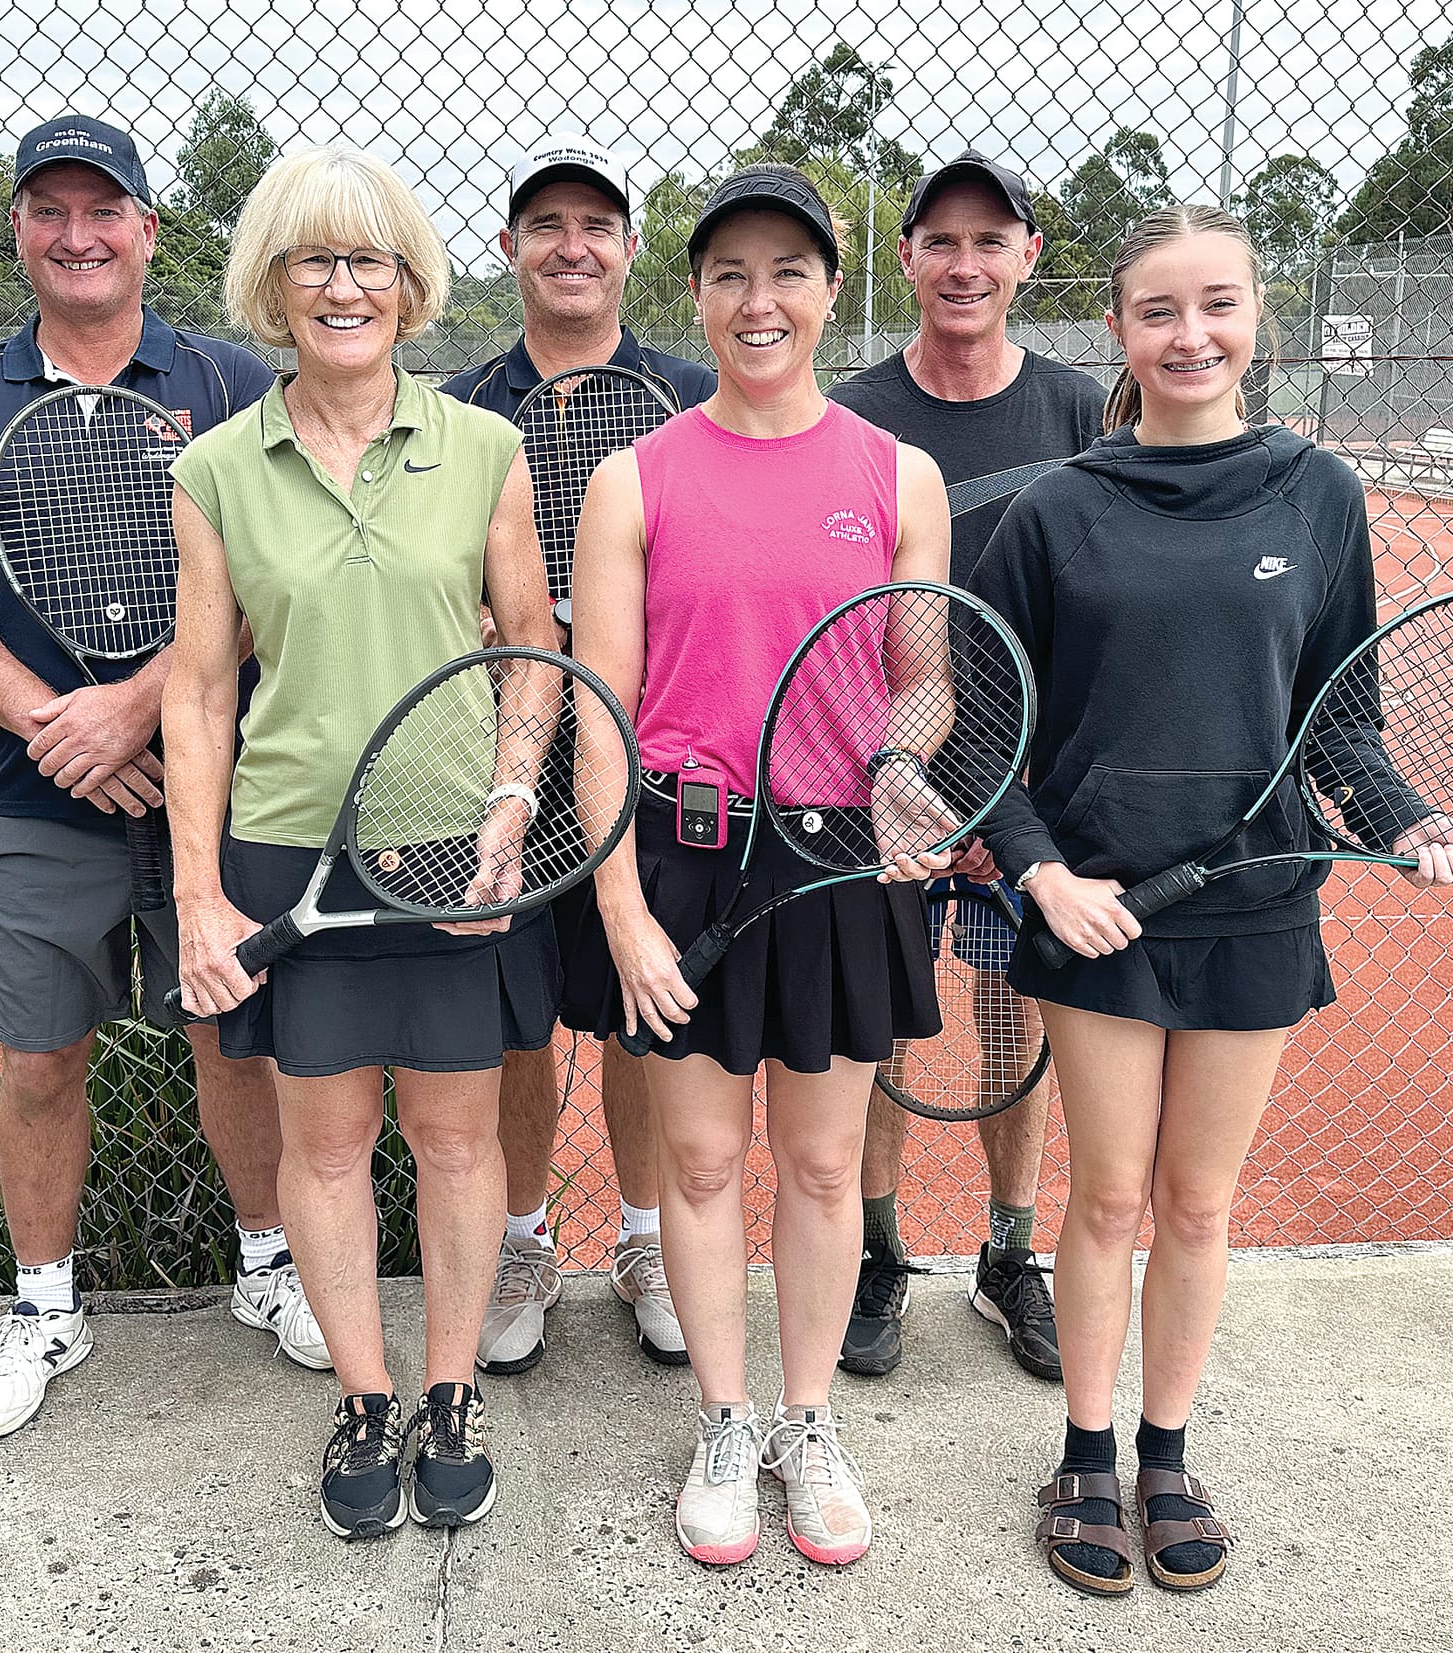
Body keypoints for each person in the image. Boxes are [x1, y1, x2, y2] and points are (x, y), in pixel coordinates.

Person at [971, 204, 1453, 1596]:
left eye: (1217, 305)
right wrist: (1044, 874)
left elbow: (1343, 724)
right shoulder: (1057, 506)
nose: (1190, 334)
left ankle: (1164, 1451)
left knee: (1199, 1207)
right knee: (1108, 1196)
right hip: (1099, 915)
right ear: (1119, 334)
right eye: (1159, 310)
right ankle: (1083, 1452)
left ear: (1256, 317)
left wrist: (1409, 818)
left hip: (1257, 902)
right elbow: (984, 736)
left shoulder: (1319, 492)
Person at [0, 115, 317, 1444]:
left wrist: (138, 709)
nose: (79, 234)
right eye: (51, 210)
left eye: (103, 208)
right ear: (20, 229)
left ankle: (269, 1268)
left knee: (231, 1039)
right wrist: (52, 721)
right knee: (39, 1055)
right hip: (30, 793)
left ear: (147, 230)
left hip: (217, 788)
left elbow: (273, 576)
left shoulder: (233, 382)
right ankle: (45, 1304)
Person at [164, 145, 556, 1539]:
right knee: (320, 1146)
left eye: (370, 259)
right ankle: (367, 1393)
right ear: (273, 285)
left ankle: (452, 1388)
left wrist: (511, 809)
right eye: (313, 260)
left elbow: (530, 647)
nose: (344, 285)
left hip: (455, 847)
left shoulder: (486, 450)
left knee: (457, 1139)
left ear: (409, 282)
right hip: (288, 856)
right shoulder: (217, 467)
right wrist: (200, 895)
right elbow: (201, 693)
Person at [567, 165, 953, 1567]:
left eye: (788, 270)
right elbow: (600, 703)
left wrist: (903, 766)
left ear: (830, 289)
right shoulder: (637, 477)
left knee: (823, 1154)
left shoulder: (897, 474)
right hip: (682, 854)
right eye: (730, 273)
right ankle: (725, 1421)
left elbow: (922, 680)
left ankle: (806, 1420)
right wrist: (619, 905)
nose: (759, 298)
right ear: (697, 297)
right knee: (704, 1155)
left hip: (842, 857)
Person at [827, 150, 1102, 1383]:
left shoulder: (1083, 410)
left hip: (1029, 792)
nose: (962, 264)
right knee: (879, 1025)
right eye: (939, 240)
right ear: (905, 260)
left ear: (1026, 258)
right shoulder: (853, 413)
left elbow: (1102, 605)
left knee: (1011, 1021)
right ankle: (879, 1255)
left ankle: (1005, 1253)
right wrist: (899, 770)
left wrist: (1023, 807)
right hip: (885, 777)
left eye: (989, 242)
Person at [441, 134, 714, 1374]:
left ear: (629, 248)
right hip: (497, 752)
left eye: (595, 225)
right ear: (506, 250)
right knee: (513, 1020)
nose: (571, 245)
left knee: (636, 1011)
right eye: (545, 225)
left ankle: (647, 1237)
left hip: (644, 749)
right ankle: (520, 1237)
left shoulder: (690, 404)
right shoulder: (455, 414)